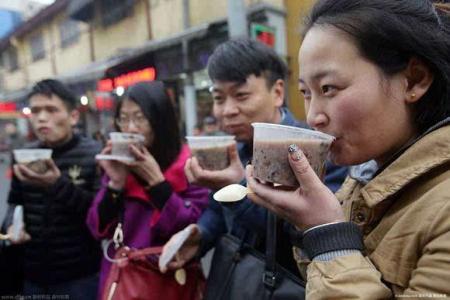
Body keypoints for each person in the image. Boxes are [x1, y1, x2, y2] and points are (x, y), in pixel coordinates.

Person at [245, 0, 450, 298]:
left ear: (414, 80)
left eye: (328, 88)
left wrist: (327, 233)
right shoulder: (363, 177)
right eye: (305, 92)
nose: (314, 116)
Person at [161, 39, 348, 277]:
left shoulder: (315, 152)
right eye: (219, 98)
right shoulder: (235, 148)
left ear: (278, 92)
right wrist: (202, 233)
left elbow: (302, 236)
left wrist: (237, 186)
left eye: (241, 95)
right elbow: (218, 209)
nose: (227, 110)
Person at [86, 81, 210, 298]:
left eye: (140, 117)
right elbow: (97, 228)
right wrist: (115, 184)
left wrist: (157, 183)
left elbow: (192, 231)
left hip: (172, 283)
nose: (131, 128)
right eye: (123, 118)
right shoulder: (120, 165)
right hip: (125, 282)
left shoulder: (190, 164)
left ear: (161, 120)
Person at [1, 79, 102, 298]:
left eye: (51, 110)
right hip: (33, 276)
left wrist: (56, 184)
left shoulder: (95, 155)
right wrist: (11, 225)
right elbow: (14, 202)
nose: (42, 118)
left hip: (80, 277)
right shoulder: (23, 155)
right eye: (35, 111)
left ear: (73, 116)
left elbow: (100, 217)